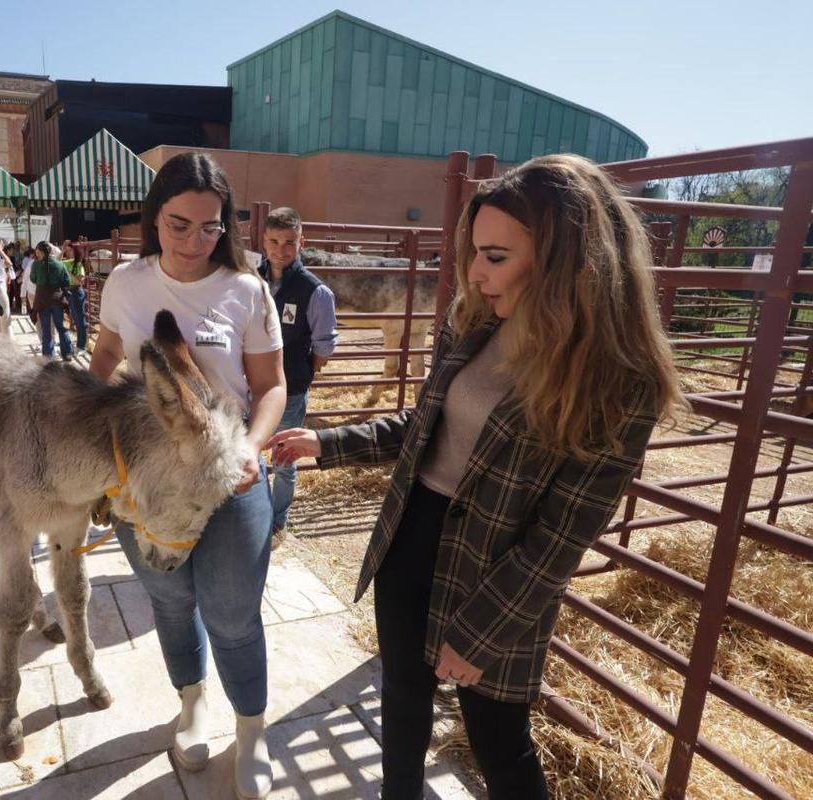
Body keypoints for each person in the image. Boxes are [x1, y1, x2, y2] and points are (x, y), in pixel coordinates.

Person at [268, 155, 686, 800]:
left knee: (497, 736)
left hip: (502, 568)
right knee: (403, 697)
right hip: (414, 534)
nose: (473, 273)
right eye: (473, 253)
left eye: (494, 255)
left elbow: (562, 534)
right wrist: (326, 442)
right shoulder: (475, 325)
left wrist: (483, 629)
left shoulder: (618, 380)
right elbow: (423, 428)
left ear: (566, 258)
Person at [89, 152, 285, 799]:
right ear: (154, 218)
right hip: (142, 482)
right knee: (171, 601)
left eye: (209, 227)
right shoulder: (126, 282)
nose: (194, 240)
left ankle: (251, 731)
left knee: (232, 613)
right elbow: (108, 355)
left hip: (228, 478)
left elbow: (273, 386)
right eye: (178, 224)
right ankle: (191, 703)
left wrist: (253, 448)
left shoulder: (247, 289)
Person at [257, 207, 338, 549]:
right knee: (246, 450)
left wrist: (304, 373)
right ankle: (253, 513)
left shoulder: (315, 291)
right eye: (274, 241)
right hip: (250, 387)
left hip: (289, 390)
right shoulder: (250, 279)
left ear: (301, 242)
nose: (281, 249)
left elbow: (323, 346)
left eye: (289, 242)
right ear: (264, 240)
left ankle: (277, 522)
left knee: (284, 458)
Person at [30, 241, 74, 360]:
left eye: (38, 251)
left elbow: (33, 279)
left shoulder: (36, 265)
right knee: (60, 326)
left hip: (42, 300)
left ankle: (49, 358)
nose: (37, 253)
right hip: (57, 299)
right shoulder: (60, 264)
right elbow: (66, 282)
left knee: (46, 330)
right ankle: (67, 353)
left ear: (42, 251)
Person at [60, 242, 89, 351]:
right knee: (76, 319)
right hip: (69, 291)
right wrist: (62, 251)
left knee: (80, 319)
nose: (68, 252)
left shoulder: (78, 264)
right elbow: (57, 261)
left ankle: (82, 346)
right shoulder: (66, 262)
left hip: (76, 291)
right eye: (67, 251)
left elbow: (80, 281)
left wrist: (68, 273)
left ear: (75, 251)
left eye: (70, 250)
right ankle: (80, 344)